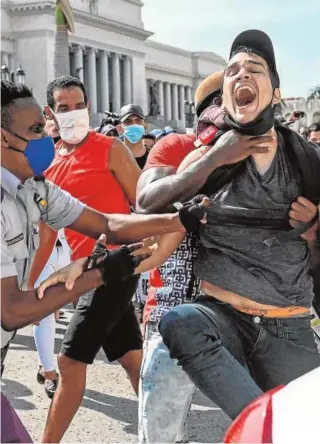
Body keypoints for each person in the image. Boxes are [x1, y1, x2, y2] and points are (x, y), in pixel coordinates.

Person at [0, 79, 207, 441]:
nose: (72, 114)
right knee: (130, 357)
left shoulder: (62, 174)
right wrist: (36, 290)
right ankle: (165, 431)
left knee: (68, 361)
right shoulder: (42, 176)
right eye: (61, 109)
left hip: (112, 267)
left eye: (79, 104)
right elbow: (16, 301)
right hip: (94, 273)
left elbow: (118, 217)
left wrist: (177, 221)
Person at [158, 29, 320, 422]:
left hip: (289, 327)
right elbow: (157, 222)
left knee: (305, 429)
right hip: (221, 319)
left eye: (255, 69)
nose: (242, 76)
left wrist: (315, 228)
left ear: (276, 93)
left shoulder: (309, 161)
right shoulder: (202, 162)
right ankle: (260, 428)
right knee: (180, 321)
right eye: (233, 71)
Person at [136, 72, 224, 443]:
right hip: (172, 311)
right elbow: (145, 202)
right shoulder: (176, 146)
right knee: (161, 429)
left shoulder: (266, 156)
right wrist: (211, 157)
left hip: (245, 315)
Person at [31, 230, 71, 399]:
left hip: (68, 247)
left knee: (53, 312)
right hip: (40, 247)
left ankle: (44, 365)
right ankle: (49, 372)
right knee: (44, 313)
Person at [116, 104, 149, 169]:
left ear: (145, 126)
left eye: (138, 121)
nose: (134, 125)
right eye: (128, 121)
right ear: (119, 129)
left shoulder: (153, 156)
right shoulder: (113, 157)